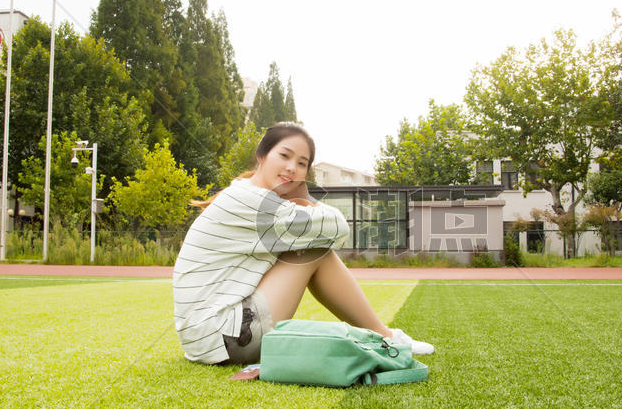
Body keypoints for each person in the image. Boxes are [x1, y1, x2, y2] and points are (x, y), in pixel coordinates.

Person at [173, 122, 434, 365]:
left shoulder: (246, 193)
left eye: (301, 163)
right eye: (284, 156)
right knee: (315, 251)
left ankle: (383, 334)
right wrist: (305, 197)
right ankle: (385, 336)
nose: (291, 168)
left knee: (307, 244)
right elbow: (339, 228)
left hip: (209, 337)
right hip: (224, 338)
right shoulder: (252, 201)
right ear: (262, 156)